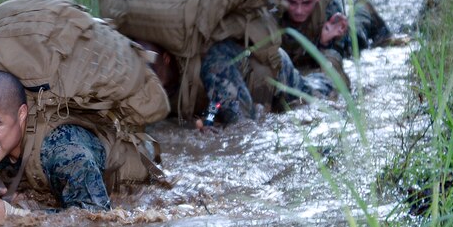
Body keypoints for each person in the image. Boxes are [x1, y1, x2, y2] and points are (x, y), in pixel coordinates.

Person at [0, 70, 112, 224]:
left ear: (21, 114)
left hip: (121, 186)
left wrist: (16, 215)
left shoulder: (65, 152)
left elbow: (97, 219)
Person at [143, 39, 335, 133]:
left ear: (166, 59)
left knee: (320, 91)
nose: (151, 82)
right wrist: (206, 121)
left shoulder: (214, 69)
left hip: (274, 74)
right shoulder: (144, 82)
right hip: (230, 87)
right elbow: (213, 105)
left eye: (154, 73)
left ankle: (330, 52)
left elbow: (245, 127)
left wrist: (210, 126)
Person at [274, 0, 393, 85]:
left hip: (336, 42)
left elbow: (336, 60)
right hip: (302, 52)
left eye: (306, 3)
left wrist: (325, 43)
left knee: (357, 40)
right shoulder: (271, 12)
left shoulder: (329, 9)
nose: (299, 10)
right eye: (292, 2)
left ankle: (363, 8)